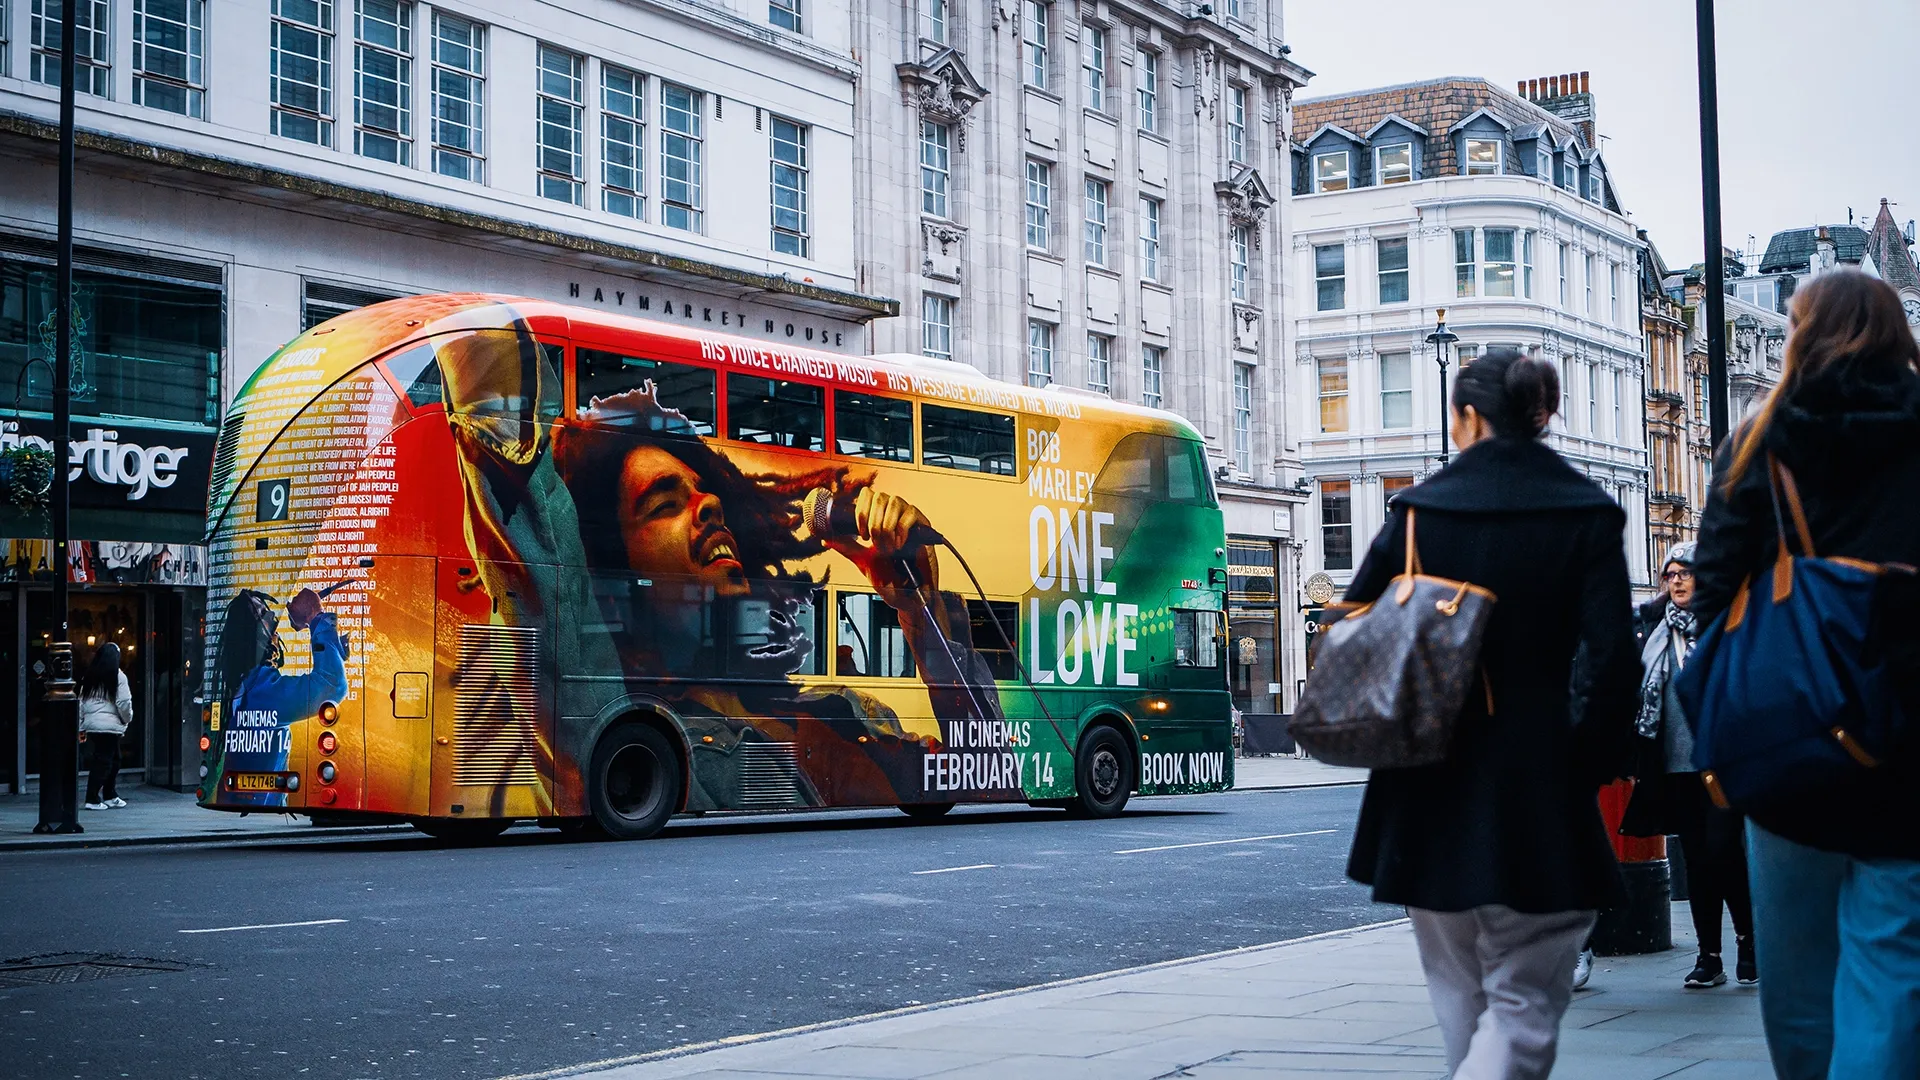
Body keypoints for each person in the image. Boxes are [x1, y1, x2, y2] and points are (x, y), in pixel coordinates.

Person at [1343, 348, 1639, 1079]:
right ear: (1542, 414)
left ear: (1469, 417)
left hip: (1426, 780)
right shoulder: (1585, 511)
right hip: (1540, 777)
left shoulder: (1419, 512)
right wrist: (1588, 762)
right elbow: (1612, 660)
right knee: (1526, 1000)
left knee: (1457, 995)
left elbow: (1355, 617)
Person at [1689, 268, 1920, 1079]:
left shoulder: (1760, 442)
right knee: (1893, 961)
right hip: (1909, 735)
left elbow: (1710, 595)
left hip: (1790, 730)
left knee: (1795, 971)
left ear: (1802, 333)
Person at [1619, 541, 1754, 988]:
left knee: (1725, 853)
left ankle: (1748, 943)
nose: (1676, 580)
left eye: (1686, 572)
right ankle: (1709, 957)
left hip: (1724, 763)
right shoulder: (1654, 632)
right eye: (1670, 573)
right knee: (1697, 861)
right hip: (1675, 766)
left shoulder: (1725, 626)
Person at [79, 642, 133, 810]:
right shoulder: (118, 676)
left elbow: (81, 701)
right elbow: (124, 703)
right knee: (104, 762)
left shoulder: (90, 675)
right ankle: (93, 798)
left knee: (113, 759)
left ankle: (110, 795)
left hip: (93, 725)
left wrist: (81, 724)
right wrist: (127, 719)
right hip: (109, 726)